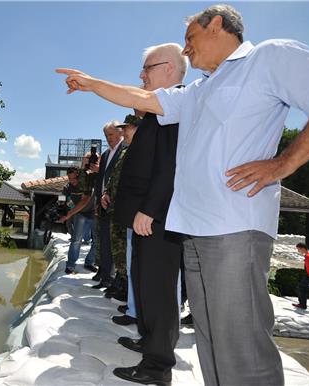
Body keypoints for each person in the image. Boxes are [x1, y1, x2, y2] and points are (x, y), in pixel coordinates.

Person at [56, 4, 309, 385]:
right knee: (210, 339)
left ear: (218, 26)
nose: (186, 50)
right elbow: (143, 99)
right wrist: (93, 83)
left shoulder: (268, 57)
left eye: (190, 39)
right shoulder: (198, 89)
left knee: (241, 345)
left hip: (234, 227)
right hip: (193, 227)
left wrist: (283, 164)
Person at [105, 43, 187, 384]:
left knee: (157, 291)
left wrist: (149, 210)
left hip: (157, 218)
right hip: (146, 218)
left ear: (169, 68)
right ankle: (149, 343)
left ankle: (157, 366)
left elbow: (169, 166)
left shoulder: (175, 106)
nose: (141, 75)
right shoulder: (157, 111)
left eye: (147, 68)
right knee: (144, 284)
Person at [100, 116, 139, 301]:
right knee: (118, 250)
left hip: (127, 209)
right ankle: (122, 284)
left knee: (125, 250)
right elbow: (114, 177)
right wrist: (105, 193)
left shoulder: (136, 150)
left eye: (126, 129)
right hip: (115, 208)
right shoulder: (124, 152)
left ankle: (126, 289)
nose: (123, 133)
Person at [91, 120, 128, 289]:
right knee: (104, 241)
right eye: (106, 136)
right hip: (104, 204)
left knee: (117, 245)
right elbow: (101, 180)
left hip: (118, 205)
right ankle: (105, 276)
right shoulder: (105, 155)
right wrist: (98, 200)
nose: (108, 138)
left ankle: (118, 280)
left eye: (111, 135)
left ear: (121, 133)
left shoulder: (126, 150)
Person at [60, 164, 98, 274]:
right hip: (79, 214)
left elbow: (84, 201)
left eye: (74, 178)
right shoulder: (67, 187)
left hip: (94, 213)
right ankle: (71, 265)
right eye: (69, 178)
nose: (72, 181)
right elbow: (63, 199)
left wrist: (69, 214)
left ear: (79, 176)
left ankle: (89, 262)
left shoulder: (88, 184)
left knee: (96, 240)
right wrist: (63, 204)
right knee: (76, 240)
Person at [293, 242, 309, 310]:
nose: (298, 251)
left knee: (301, 288)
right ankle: (302, 304)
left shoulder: (308, 256)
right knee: (301, 288)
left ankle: (302, 305)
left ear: (303, 248)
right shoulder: (308, 255)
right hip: (308, 276)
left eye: (299, 249)